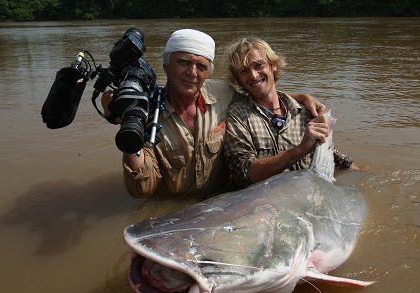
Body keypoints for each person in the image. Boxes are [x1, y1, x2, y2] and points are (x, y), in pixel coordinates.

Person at [102, 29, 325, 199]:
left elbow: (258, 90)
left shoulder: (222, 94)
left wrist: (301, 98)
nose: (192, 72)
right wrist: (129, 128)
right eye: (183, 62)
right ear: (167, 64)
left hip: (221, 203)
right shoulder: (148, 111)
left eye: (201, 66)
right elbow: (142, 190)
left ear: (208, 71)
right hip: (173, 210)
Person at [224, 37, 358, 188]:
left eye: (258, 65)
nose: (254, 75)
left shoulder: (305, 110)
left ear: (273, 65)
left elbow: (333, 157)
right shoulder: (237, 114)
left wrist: (370, 178)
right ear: (238, 80)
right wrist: (299, 151)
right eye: (244, 71)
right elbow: (242, 174)